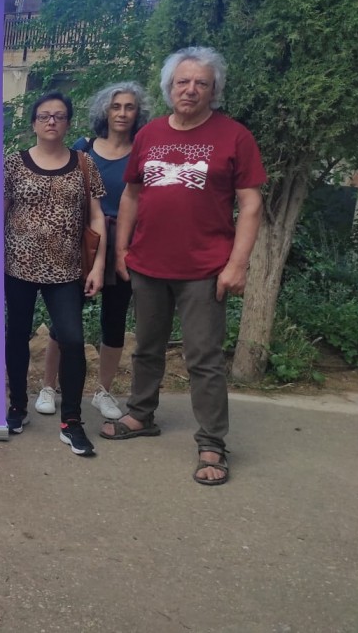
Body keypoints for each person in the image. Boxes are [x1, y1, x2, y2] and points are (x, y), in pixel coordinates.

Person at [101, 48, 265, 486]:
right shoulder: (150, 134)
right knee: (147, 348)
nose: (190, 90)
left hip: (205, 268)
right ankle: (141, 415)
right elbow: (132, 195)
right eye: (182, 82)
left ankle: (212, 442)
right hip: (148, 264)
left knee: (204, 358)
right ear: (169, 88)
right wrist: (121, 251)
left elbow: (251, 204)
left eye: (201, 83)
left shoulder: (234, 136)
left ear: (214, 90)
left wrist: (238, 264)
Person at [3, 92, 107, 457]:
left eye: (59, 116)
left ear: (67, 123)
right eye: (44, 115)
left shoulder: (84, 164)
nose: (51, 121)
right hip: (17, 266)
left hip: (66, 270)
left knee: (73, 341)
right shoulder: (13, 164)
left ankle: (72, 421)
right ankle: (17, 407)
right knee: (16, 336)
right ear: (33, 122)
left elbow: (96, 218)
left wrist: (97, 265)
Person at [38, 82, 149, 421]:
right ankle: (47, 386)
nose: (122, 113)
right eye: (116, 106)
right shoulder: (83, 149)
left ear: (137, 113)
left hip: (124, 244)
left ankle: (103, 391)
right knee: (64, 321)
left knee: (113, 321)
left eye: (129, 107)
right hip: (82, 245)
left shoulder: (142, 152)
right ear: (105, 110)